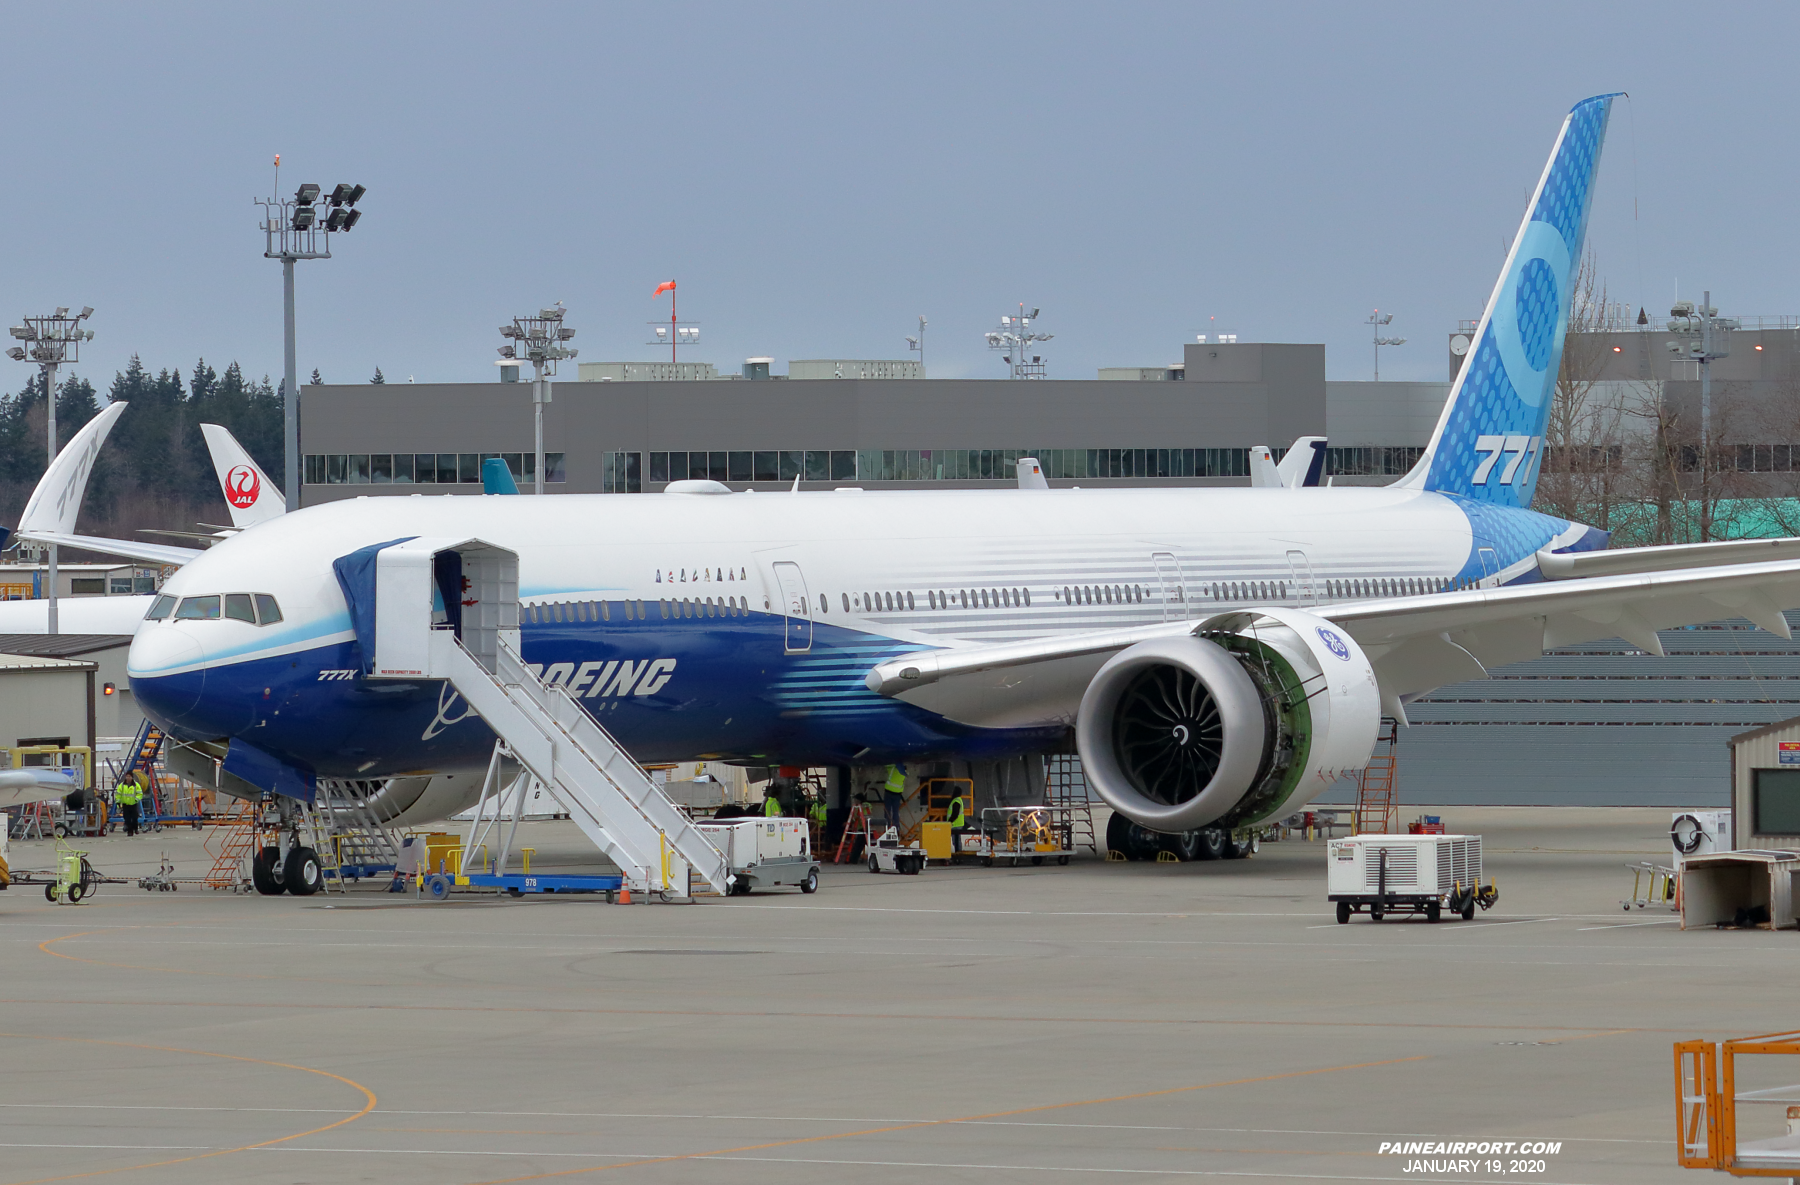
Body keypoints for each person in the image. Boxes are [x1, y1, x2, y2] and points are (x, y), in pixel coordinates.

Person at [115, 769, 148, 837]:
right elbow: (118, 794)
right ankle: (130, 831)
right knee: (127, 819)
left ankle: (135, 828)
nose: (128, 778)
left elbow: (139, 794)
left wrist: (136, 800)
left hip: (133, 804)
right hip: (125, 805)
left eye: (129, 776)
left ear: (132, 777)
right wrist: (118, 802)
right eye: (127, 776)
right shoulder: (122, 785)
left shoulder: (136, 785)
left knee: (134, 818)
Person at [882, 764, 906, 834]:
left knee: (887, 810)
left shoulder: (892, 768)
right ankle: (896, 828)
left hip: (889, 792)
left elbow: (886, 765)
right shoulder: (904, 773)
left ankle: (887, 827)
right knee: (896, 812)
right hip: (898, 794)